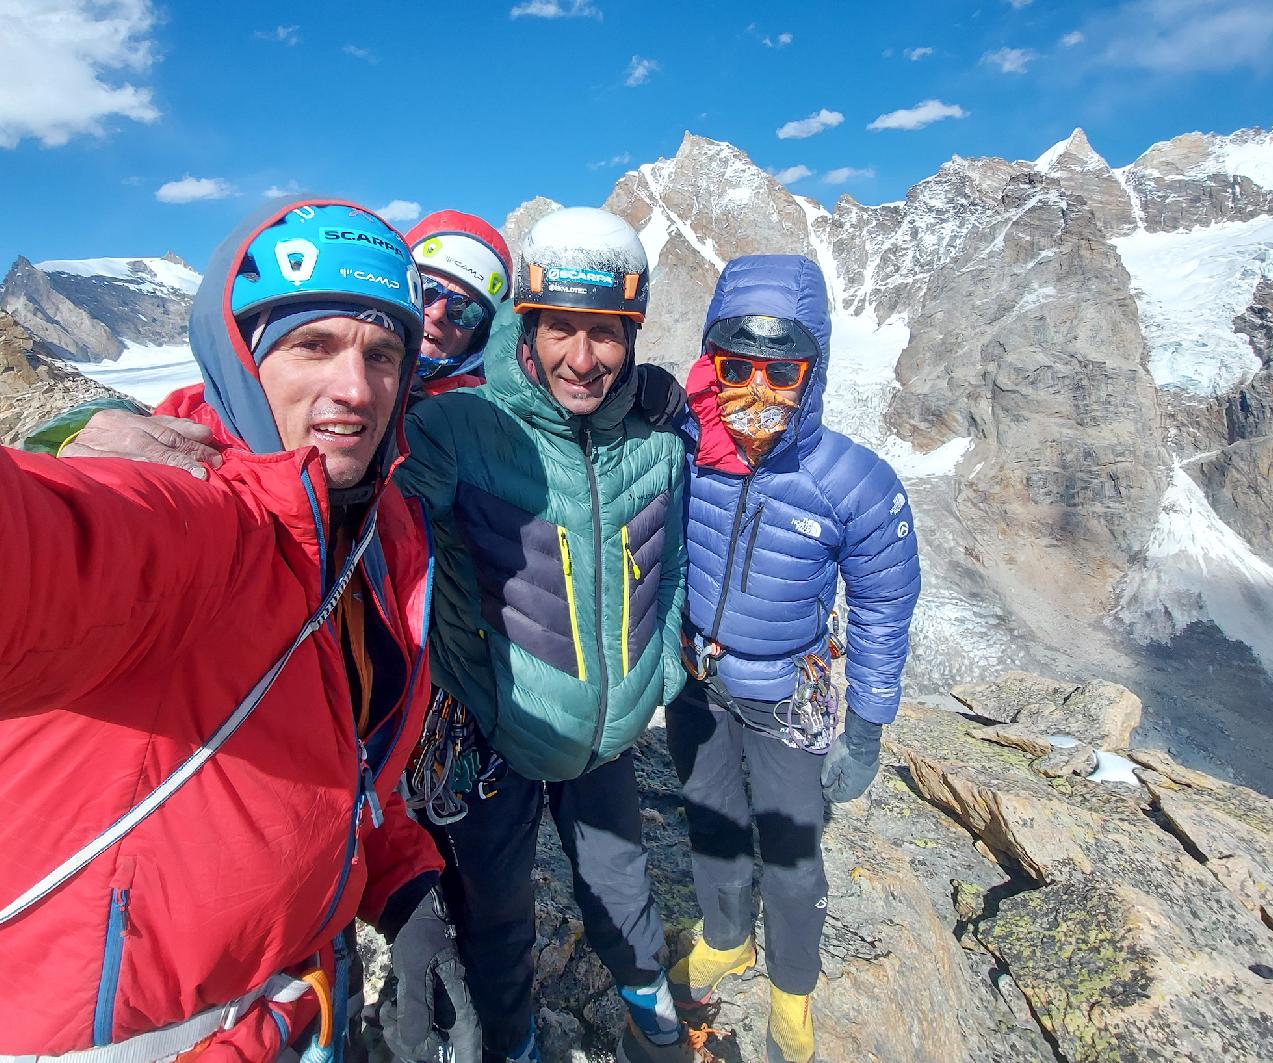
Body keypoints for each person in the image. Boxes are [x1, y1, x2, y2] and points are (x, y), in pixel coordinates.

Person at [0, 197, 476, 1062]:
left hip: (299, 1008)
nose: (355, 387)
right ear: (239, 359)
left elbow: (343, 761)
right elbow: (48, 545)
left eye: (382, 353)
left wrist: (404, 886)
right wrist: (66, 438)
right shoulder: (191, 518)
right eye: (312, 345)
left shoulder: (379, 530)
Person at [396, 205, 694, 1063]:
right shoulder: (457, 430)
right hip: (493, 732)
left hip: (606, 737)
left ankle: (653, 1018)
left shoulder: (658, 441)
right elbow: (337, 462)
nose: (582, 357)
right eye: (561, 327)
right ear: (526, 325)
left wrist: (659, 673)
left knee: (622, 884)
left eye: (605, 332)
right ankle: (516, 1042)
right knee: (496, 911)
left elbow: (667, 564)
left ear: (631, 334)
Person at [666, 255, 921, 1063]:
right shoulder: (687, 445)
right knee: (709, 818)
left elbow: (884, 604)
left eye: (781, 369)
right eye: (735, 366)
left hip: (786, 697)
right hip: (698, 682)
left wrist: (870, 726)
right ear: (711, 362)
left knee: (791, 853)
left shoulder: (855, 483)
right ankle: (726, 937)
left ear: (812, 369)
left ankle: (792, 994)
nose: (757, 388)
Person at [404, 209, 513, 394]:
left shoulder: (479, 415)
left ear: (479, 336)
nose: (437, 313)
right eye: (426, 290)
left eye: (464, 310)